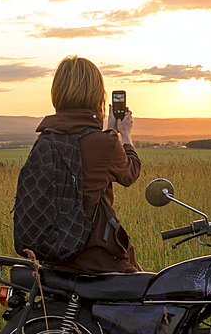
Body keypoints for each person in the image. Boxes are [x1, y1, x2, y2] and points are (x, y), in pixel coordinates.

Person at [33, 55, 143, 273]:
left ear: (57, 94)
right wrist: (125, 134)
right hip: (98, 259)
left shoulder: (44, 141)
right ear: (96, 95)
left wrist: (109, 132)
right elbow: (130, 172)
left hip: (54, 258)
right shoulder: (105, 144)